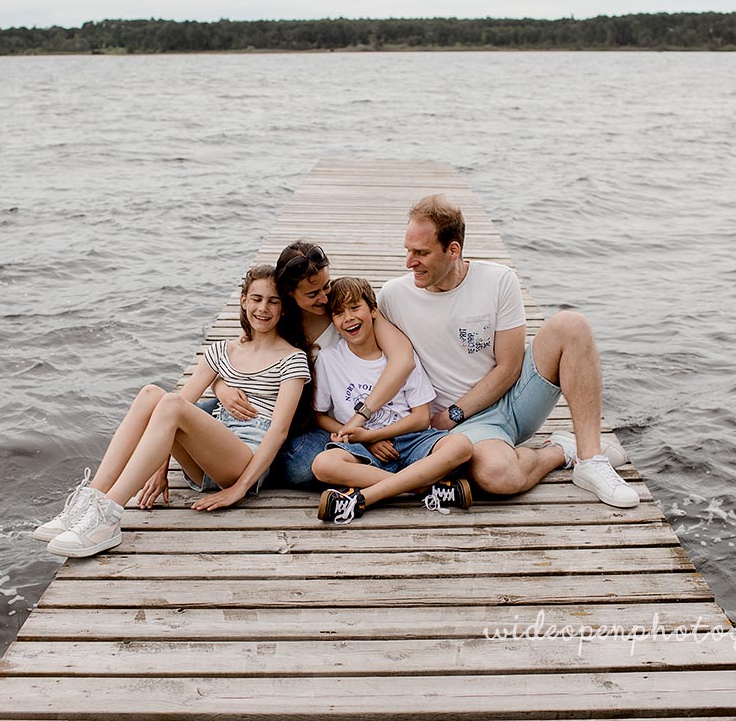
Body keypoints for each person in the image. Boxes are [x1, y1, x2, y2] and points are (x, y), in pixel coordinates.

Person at [376, 195, 638, 508]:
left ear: (453, 250)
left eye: (421, 253)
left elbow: (509, 367)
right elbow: (366, 358)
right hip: (468, 428)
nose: (409, 262)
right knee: (499, 476)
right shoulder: (393, 297)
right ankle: (560, 451)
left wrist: (453, 413)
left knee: (571, 324)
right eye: (407, 251)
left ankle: (591, 459)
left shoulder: (498, 280)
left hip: (512, 400)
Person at [33, 265, 311, 558]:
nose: (263, 308)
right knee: (151, 394)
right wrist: (160, 468)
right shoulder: (221, 351)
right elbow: (178, 403)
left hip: (245, 457)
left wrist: (241, 488)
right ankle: (91, 500)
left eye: (273, 301)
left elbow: (279, 431)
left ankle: (109, 516)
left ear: (284, 309)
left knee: (171, 403)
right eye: (256, 299)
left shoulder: (292, 358)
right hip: (208, 454)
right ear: (243, 301)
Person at [211, 241, 418, 490]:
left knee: (301, 464)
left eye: (326, 286)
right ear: (289, 294)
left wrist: (359, 426)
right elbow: (236, 355)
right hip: (265, 408)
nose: (324, 298)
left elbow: (403, 360)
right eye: (312, 294)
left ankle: (404, 481)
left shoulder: (345, 310)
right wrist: (220, 386)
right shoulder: (277, 315)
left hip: (324, 420)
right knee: (193, 412)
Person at [308, 277, 475, 524]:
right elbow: (319, 416)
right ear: (333, 321)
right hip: (363, 448)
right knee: (323, 464)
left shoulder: (399, 356)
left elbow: (421, 418)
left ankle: (363, 497)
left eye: (355, 308)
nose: (349, 318)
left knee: (461, 445)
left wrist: (374, 435)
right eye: (339, 312)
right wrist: (360, 437)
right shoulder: (329, 360)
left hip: (410, 440)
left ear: (373, 310)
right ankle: (423, 488)